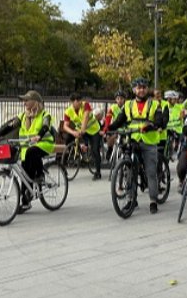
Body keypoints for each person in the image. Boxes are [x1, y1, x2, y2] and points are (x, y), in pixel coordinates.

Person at [107, 77, 163, 214]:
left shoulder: (154, 104)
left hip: (149, 141)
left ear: (147, 89)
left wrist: (152, 125)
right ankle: (132, 200)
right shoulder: (128, 105)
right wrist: (108, 129)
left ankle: (153, 201)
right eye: (138, 88)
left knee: (150, 172)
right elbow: (120, 120)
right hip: (132, 140)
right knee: (130, 171)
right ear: (134, 90)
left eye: (143, 87)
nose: (141, 90)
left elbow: (159, 120)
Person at [0, 90, 55, 213]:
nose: (24, 103)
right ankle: (26, 202)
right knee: (24, 172)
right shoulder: (22, 116)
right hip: (26, 148)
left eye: (27, 100)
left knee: (32, 153)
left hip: (43, 144)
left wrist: (39, 136)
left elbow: (46, 126)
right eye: (23, 100)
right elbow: (10, 125)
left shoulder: (44, 115)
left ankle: (40, 174)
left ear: (35, 102)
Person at [62, 92, 102, 180]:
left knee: (95, 150)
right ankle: (73, 153)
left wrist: (82, 130)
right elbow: (65, 126)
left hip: (93, 130)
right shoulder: (68, 111)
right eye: (75, 101)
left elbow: (85, 118)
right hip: (80, 130)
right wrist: (73, 132)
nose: (78, 102)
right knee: (68, 138)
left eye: (79, 100)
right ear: (71, 102)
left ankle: (98, 172)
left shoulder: (86, 105)